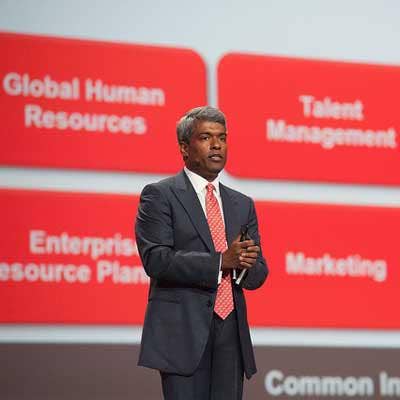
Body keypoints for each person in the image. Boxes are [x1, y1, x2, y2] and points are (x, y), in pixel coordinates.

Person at [135, 105, 268, 400]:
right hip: (182, 335)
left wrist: (245, 263)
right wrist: (221, 261)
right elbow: (156, 260)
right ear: (184, 147)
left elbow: (258, 271)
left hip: (231, 335)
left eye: (222, 137)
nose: (217, 145)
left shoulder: (242, 203)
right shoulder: (160, 195)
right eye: (206, 137)